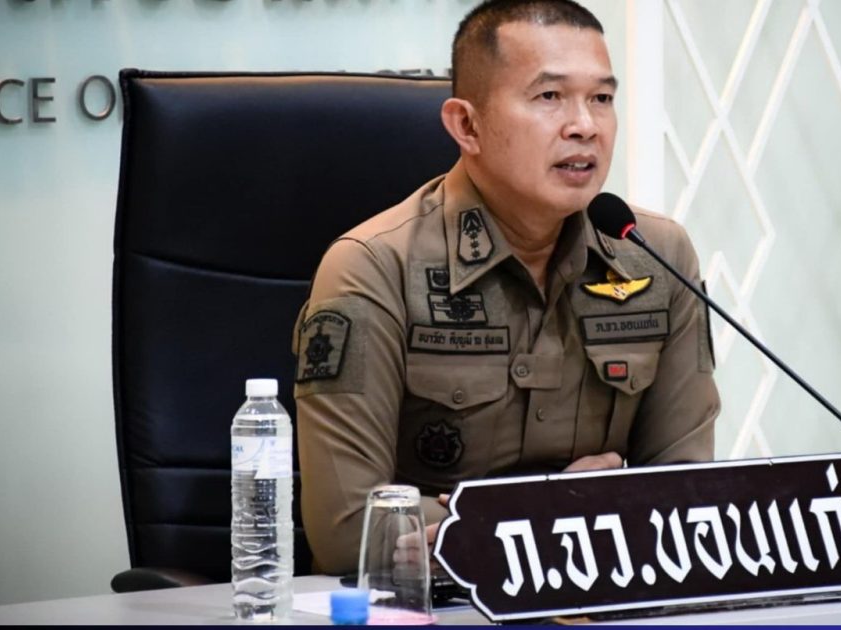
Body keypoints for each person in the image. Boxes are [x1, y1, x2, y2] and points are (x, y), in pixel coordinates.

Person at [293, 0, 720, 575]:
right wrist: (559, 510)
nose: (585, 125)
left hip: (598, 601)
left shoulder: (656, 257)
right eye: (550, 96)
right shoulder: (372, 266)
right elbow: (350, 531)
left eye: (601, 98)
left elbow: (688, 501)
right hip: (428, 608)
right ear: (466, 126)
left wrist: (477, 525)